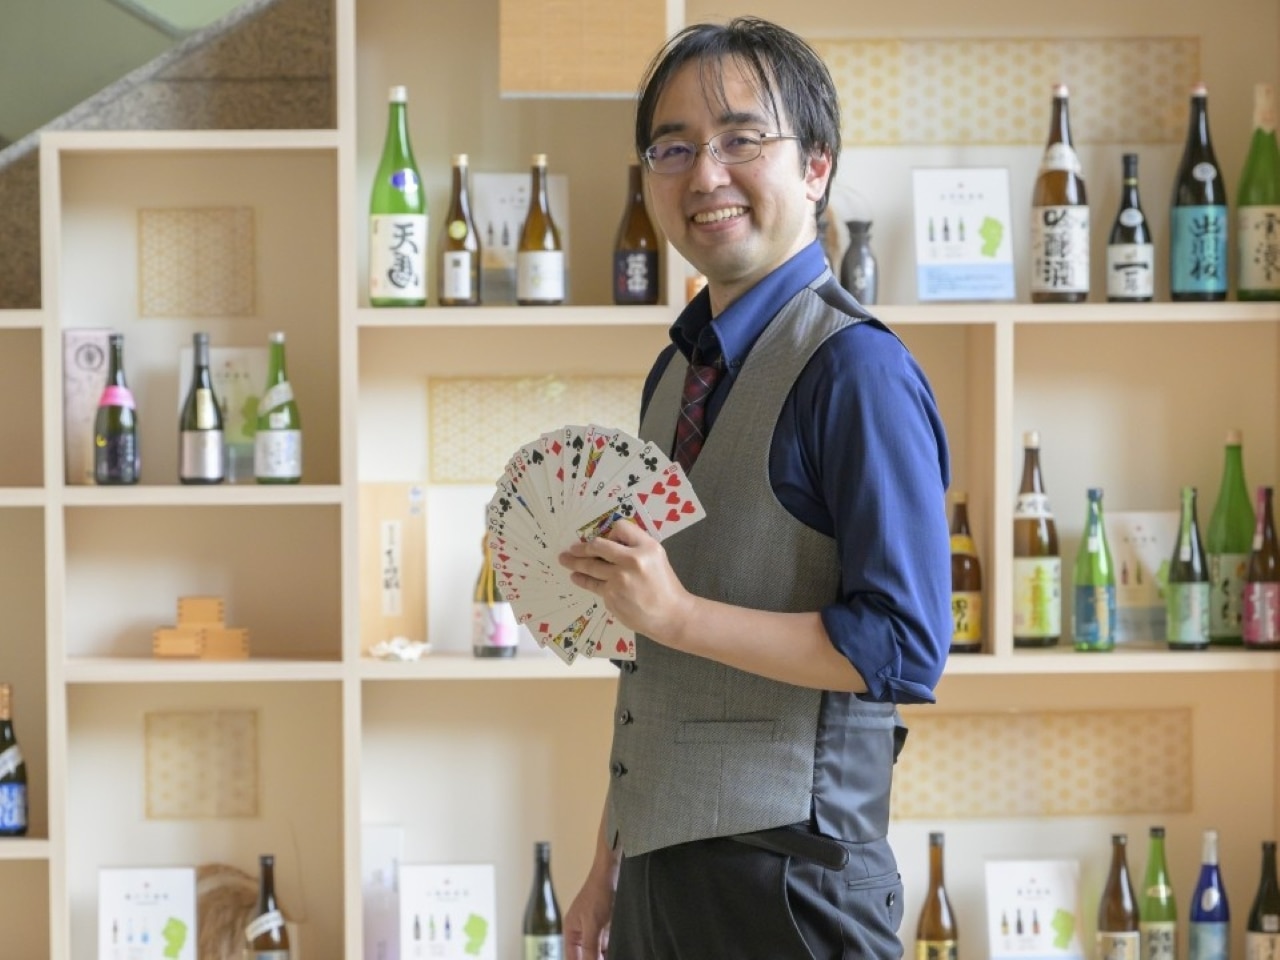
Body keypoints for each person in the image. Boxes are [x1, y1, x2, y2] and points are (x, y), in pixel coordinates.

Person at [557, 16, 951, 960]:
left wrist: (676, 612)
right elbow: (648, 655)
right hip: (659, 873)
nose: (705, 174)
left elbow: (902, 646)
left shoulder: (857, 370)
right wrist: (608, 864)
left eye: (742, 139)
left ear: (816, 165)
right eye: (674, 147)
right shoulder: (675, 373)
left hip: (791, 883)